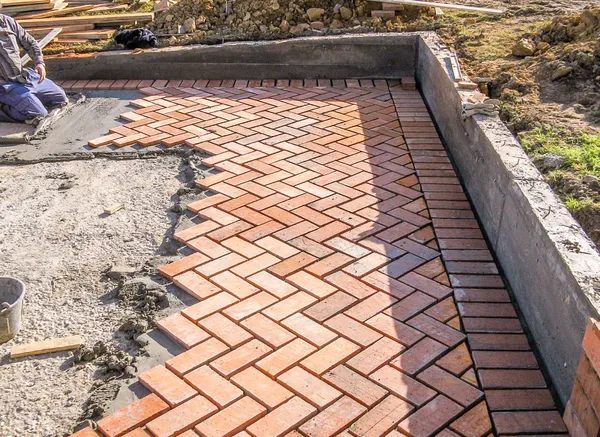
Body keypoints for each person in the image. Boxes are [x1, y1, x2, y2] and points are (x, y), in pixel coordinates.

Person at [0, 13, 68, 124]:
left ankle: (27, 100)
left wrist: (39, 63)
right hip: (4, 85)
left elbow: (31, 43)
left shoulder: (8, 22)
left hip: (22, 76)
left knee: (60, 98)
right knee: (38, 113)